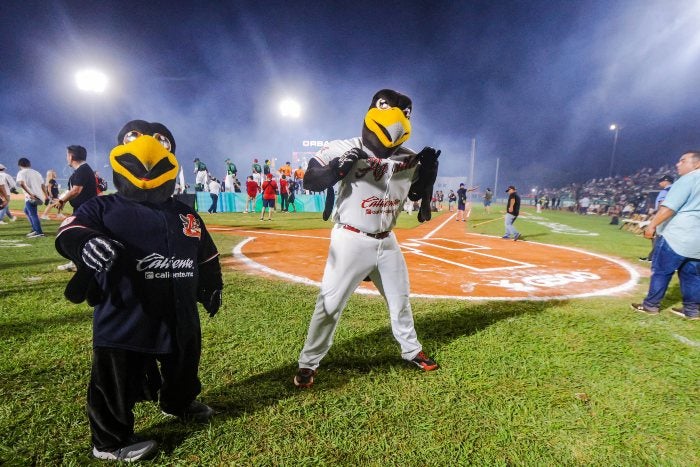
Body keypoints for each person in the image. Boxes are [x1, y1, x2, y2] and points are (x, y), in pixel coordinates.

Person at [55, 120, 223, 461]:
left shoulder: (185, 214)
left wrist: (211, 285)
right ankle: (110, 441)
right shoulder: (103, 207)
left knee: (184, 362)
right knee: (116, 377)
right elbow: (71, 230)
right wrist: (86, 242)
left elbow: (206, 254)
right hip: (125, 313)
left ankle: (177, 402)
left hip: (180, 312)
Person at [293, 89, 440, 389]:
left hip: (387, 240)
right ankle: (309, 362)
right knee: (330, 305)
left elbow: (415, 195)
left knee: (400, 300)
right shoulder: (346, 146)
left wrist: (427, 175)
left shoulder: (409, 158)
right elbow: (310, 179)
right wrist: (337, 168)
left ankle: (411, 350)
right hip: (350, 238)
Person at [631, 151, 700, 320]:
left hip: (678, 235)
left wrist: (652, 225)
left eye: (682, 160)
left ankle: (651, 305)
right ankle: (692, 311)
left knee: (661, 271)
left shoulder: (689, 179)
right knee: (692, 275)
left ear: (696, 164)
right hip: (697, 240)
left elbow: (669, 207)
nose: (678, 164)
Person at [54, 145, 98, 271]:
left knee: (76, 235)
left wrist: (62, 200)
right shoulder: (81, 170)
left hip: (85, 210)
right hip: (83, 208)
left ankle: (78, 263)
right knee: (78, 235)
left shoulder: (83, 170)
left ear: (71, 156)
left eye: (67, 155)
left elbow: (76, 190)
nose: (66, 158)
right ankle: (76, 261)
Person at [639, 175, 674, 262]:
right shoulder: (675, 189)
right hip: (672, 218)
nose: (659, 183)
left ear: (666, 181)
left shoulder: (666, 191)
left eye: (661, 181)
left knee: (657, 236)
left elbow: (662, 205)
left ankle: (655, 257)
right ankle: (653, 257)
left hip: (663, 217)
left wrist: (657, 217)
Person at [16, 157, 46, 238]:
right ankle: (34, 229)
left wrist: (30, 194)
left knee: (33, 214)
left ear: (19, 165)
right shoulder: (36, 172)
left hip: (31, 197)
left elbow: (21, 184)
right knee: (26, 211)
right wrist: (46, 196)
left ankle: (39, 232)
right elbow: (43, 185)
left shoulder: (21, 172)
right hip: (39, 197)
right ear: (29, 164)